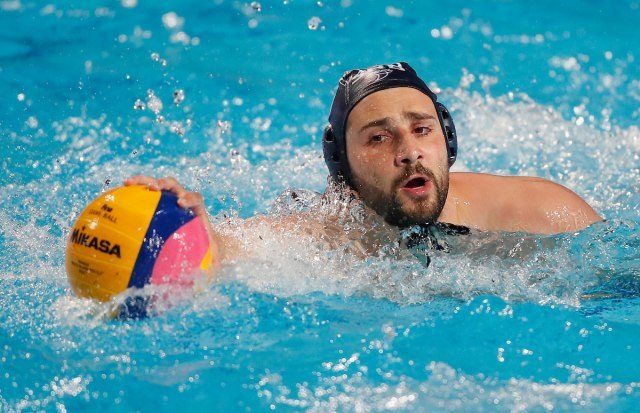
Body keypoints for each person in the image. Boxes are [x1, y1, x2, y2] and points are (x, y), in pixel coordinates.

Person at [125, 62, 602, 268]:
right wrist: (192, 231)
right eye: (379, 137)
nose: (409, 151)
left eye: (422, 129)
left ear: (447, 139)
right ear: (342, 166)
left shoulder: (540, 210)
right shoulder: (327, 239)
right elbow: (232, 251)